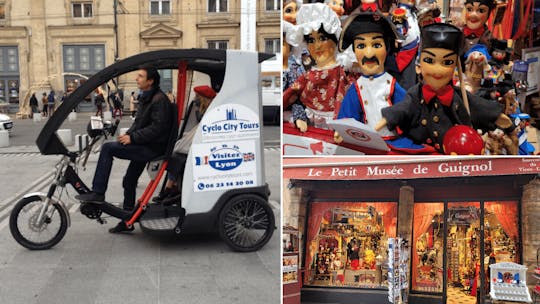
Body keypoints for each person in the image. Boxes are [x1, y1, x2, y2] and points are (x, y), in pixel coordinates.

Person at [375, 23, 514, 154]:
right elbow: (404, 108)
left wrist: (497, 116)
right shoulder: (415, 94)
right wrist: (387, 118)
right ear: (418, 67)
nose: (438, 70)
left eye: (447, 62)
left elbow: (478, 106)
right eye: (429, 61)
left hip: (454, 149)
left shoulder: (458, 96)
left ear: (455, 67)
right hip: (421, 149)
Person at [76, 64, 174, 233]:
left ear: (150, 81)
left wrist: (133, 138)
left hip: (152, 148)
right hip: (144, 144)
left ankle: (98, 192)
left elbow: (157, 128)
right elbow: (139, 123)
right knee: (128, 181)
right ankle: (127, 220)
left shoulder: (159, 100)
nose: (137, 79)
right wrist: (127, 135)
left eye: (140, 76)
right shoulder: (148, 96)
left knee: (107, 149)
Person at [334, 11, 406, 142]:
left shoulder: (391, 84)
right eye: (361, 46)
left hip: (393, 140)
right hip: (367, 142)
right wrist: (342, 131)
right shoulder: (357, 87)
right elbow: (349, 114)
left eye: (377, 45)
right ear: (355, 51)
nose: (369, 53)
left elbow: (406, 107)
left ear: (386, 49)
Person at [152, 85, 216, 205]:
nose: (195, 98)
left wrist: (197, 109)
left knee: (177, 158)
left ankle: (170, 188)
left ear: (203, 98)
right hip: (200, 143)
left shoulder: (209, 110)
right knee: (175, 156)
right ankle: (171, 186)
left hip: (205, 147)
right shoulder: (202, 108)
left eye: (197, 96)